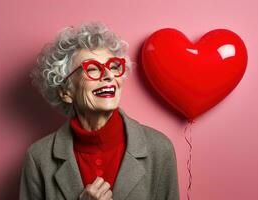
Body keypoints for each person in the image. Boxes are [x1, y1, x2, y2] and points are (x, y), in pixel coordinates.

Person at [19, 22, 180, 200]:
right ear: (66, 92)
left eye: (113, 67)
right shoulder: (38, 158)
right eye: (93, 69)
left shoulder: (159, 149)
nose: (109, 76)